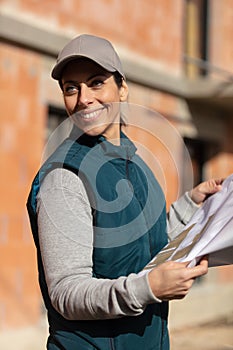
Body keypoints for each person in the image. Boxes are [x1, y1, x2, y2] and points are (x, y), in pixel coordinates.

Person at [27, 34, 223, 350]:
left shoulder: (137, 164)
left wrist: (190, 205)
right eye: (71, 88)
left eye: (96, 83)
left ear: (123, 88)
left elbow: (144, 242)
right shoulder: (65, 178)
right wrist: (147, 289)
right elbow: (66, 293)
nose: (83, 98)